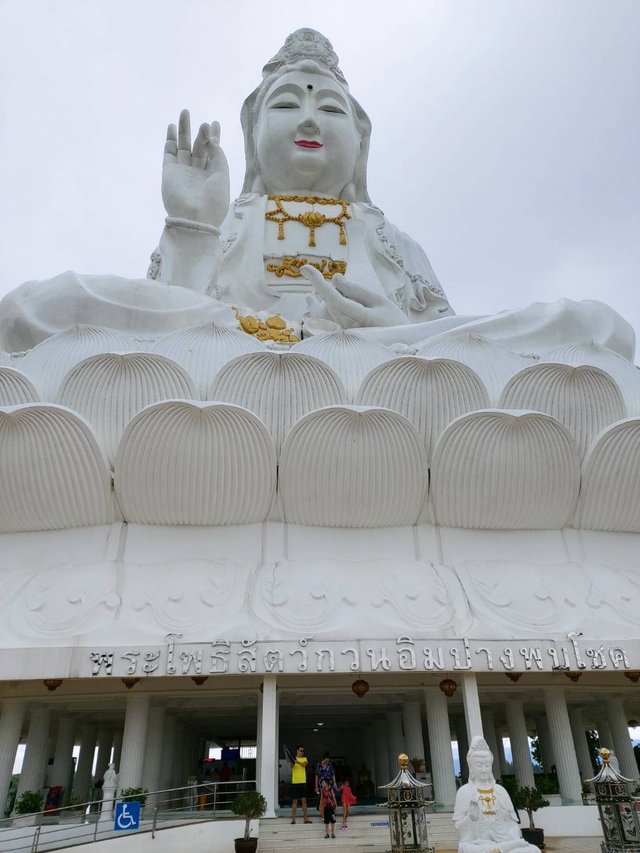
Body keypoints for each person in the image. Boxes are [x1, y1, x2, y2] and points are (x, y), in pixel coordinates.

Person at [0, 28, 632, 363]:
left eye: (328, 106)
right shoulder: (231, 221)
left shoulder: (388, 239)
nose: (309, 121)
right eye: (288, 103)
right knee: (39, 307)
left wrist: (393, 326)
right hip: (227, 358)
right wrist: (191, 227)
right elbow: (175, 326)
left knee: (592, 327)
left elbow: (443, 340)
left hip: (383, 365)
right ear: (251, 138)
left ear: (359, 141)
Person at [453, 736, 541, 852]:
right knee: (471, 849)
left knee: (533, 850)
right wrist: (471, 818)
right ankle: (500, 848)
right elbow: (459, 829)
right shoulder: (464, 791)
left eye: (487, 765)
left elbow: (513, 824)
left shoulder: (500, 791)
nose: (484, 770)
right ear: (471, 767)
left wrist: (511, 835)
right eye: (479, 765)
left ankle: (503, 848)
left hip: (503, 838)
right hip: (479, 843)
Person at [290, 745, 312, 824]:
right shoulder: (292, 760)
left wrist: (297, 761)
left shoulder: (304, 759)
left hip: (303, 782)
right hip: (295, 782)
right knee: (294, 801)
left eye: (303, 751)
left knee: (304, 801)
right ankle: (293, 819)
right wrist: (293, 761)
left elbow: (304, 765)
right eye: (300, 750)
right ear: (297, 751)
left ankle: (305, 819)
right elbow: (291, 766)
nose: (302, 752)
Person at [315, 752, 337, 819]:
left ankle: (333, 813)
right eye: (326, 760)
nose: (327, 761)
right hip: (322, 783)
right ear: (324, 759)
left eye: (328, 760)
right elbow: (317, 775)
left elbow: (333, 774)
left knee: (332, 797)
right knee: (322, 799)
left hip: (329, 783)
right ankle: (323, 816)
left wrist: (334, 782)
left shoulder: (330, 765)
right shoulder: (319, 765)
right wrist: (316, 786)